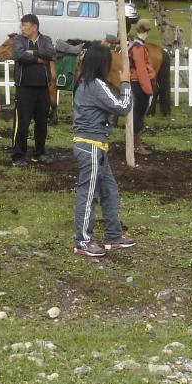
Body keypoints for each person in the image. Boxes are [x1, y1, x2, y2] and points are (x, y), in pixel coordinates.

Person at [71, 42, 135, 257]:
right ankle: (83, 242)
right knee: (89, 195)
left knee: (109, 191)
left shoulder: (86, 83)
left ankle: (114, 236)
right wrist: (126, 83)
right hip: (90, 148)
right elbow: (122, 107)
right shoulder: (95, 85)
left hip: (97, 148)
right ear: (102, 63)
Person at [11, 13, 56, 166]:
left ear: (34, 27)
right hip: (24, 88)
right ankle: (18, 155)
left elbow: (51, 54)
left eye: (25, 25)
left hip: (43, 88)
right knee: (23, 123)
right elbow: (19, 55)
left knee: (42, 123)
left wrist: (33, 52)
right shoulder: (18, 39)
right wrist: (38, 59)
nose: (22, 28)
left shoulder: (46, 40)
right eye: (22, 25)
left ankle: (39, 153)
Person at [128, 18, 157, 156]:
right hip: (139, 84)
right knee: (138, 115)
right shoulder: (138, 48)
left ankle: (135, 143)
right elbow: (141, 71)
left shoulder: (135, 45)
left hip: (137, 83)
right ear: (146, 31)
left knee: (137, 114)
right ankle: (136, 146)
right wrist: (148, 89)